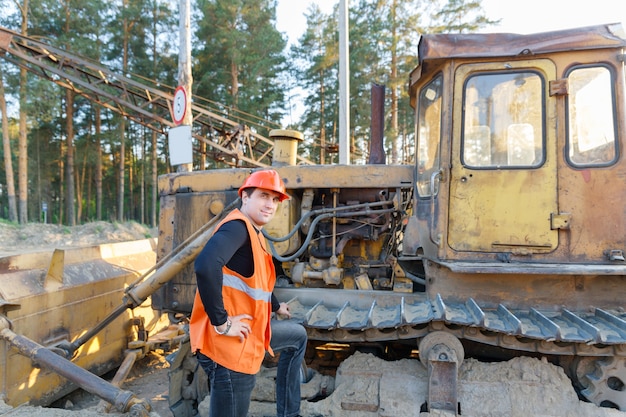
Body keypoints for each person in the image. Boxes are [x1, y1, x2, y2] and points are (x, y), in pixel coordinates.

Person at [189, 169, 309, 417]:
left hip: (251, 331)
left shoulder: (255, 232)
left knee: (297, 337)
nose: (270, 204)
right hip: (229, 346)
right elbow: (204, 266)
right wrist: (222, 324)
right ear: (245, 197)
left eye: (275, 199)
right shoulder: (237, 228)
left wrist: (275, 306)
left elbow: (256, 282)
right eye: (264, 196)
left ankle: (289, 413)